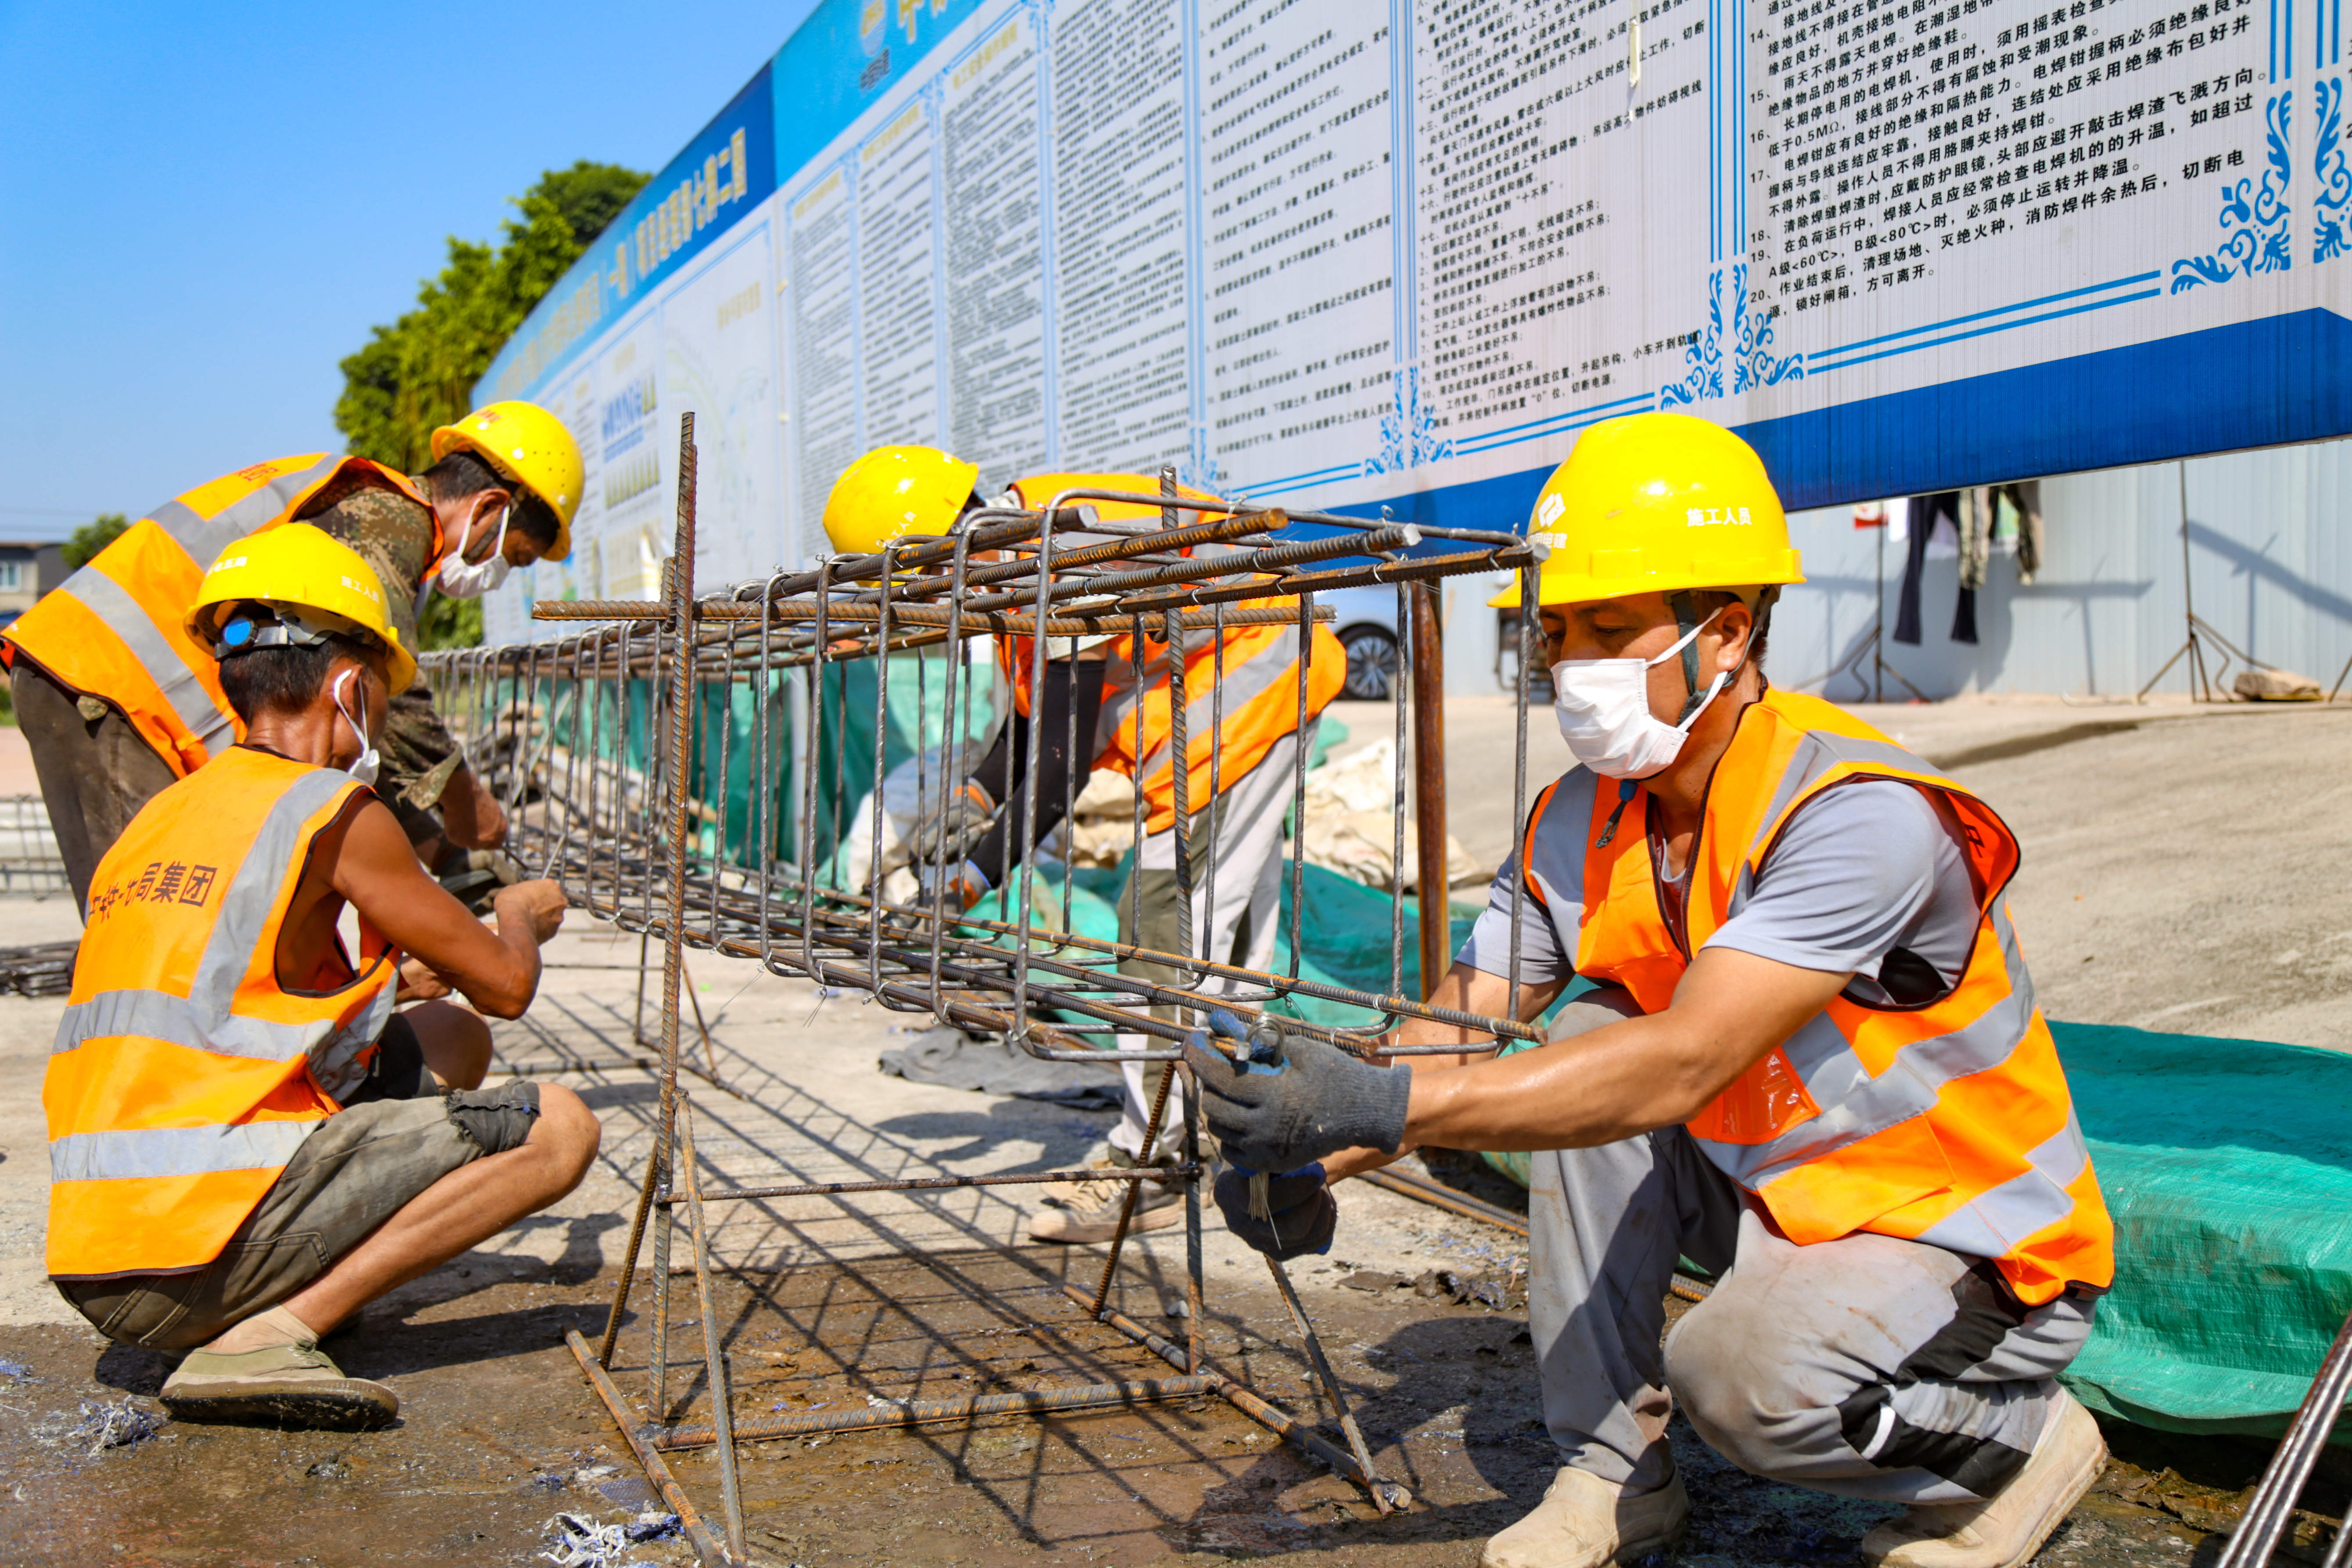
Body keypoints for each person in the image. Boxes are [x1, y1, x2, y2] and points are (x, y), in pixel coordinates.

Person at [1185, 413, 2115, 1568]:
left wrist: (1381, 1110)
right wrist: (1310, 1141)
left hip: (1958, 1232)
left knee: (1740, 1384)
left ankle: (2016, 1434)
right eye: (1556, 631)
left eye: (1610, 628)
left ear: (1725, 633)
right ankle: (1610, 1477)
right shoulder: (1582, 814)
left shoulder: (1855, 811)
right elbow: (1470, 1020)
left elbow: (1685, 1061)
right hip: (1781, 1191)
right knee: (1585, 1028)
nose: (1571, 663)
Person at [43, 525, 597, 1431]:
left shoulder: (160, 817)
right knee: (560, 1128)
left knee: (450, 1039)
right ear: (352, 683)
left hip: (101, 1251)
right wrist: (518, 915)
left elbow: (226, 1009)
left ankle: (270, 1294)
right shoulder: (335, 808)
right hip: (192, 1252)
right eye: (383, 688)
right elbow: (504, 983)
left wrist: (391, 987)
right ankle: (270, 1334)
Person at [818, 448, 1343, 1244]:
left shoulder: (1053, 556)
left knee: (1162, 938)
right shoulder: (1025, 546)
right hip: (1234, 707)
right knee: (1225, 948)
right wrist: (977, 796)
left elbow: (1058, 768)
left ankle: (1151, 1164)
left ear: (936, 544)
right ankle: (1248, 1140)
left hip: (1237, 712)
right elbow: (1035, 719)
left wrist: (970, 877)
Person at [3, 400, 584, 912]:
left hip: (96, 677)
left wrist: (439, 848)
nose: (503, 574)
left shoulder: (372, 518)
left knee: (171, 912)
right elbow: (395, 704)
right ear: (488, 508)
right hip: (105, 677)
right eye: (518, 555)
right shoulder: (386, 520)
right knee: (149, 919)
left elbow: (344, 721)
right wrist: (471, 809)